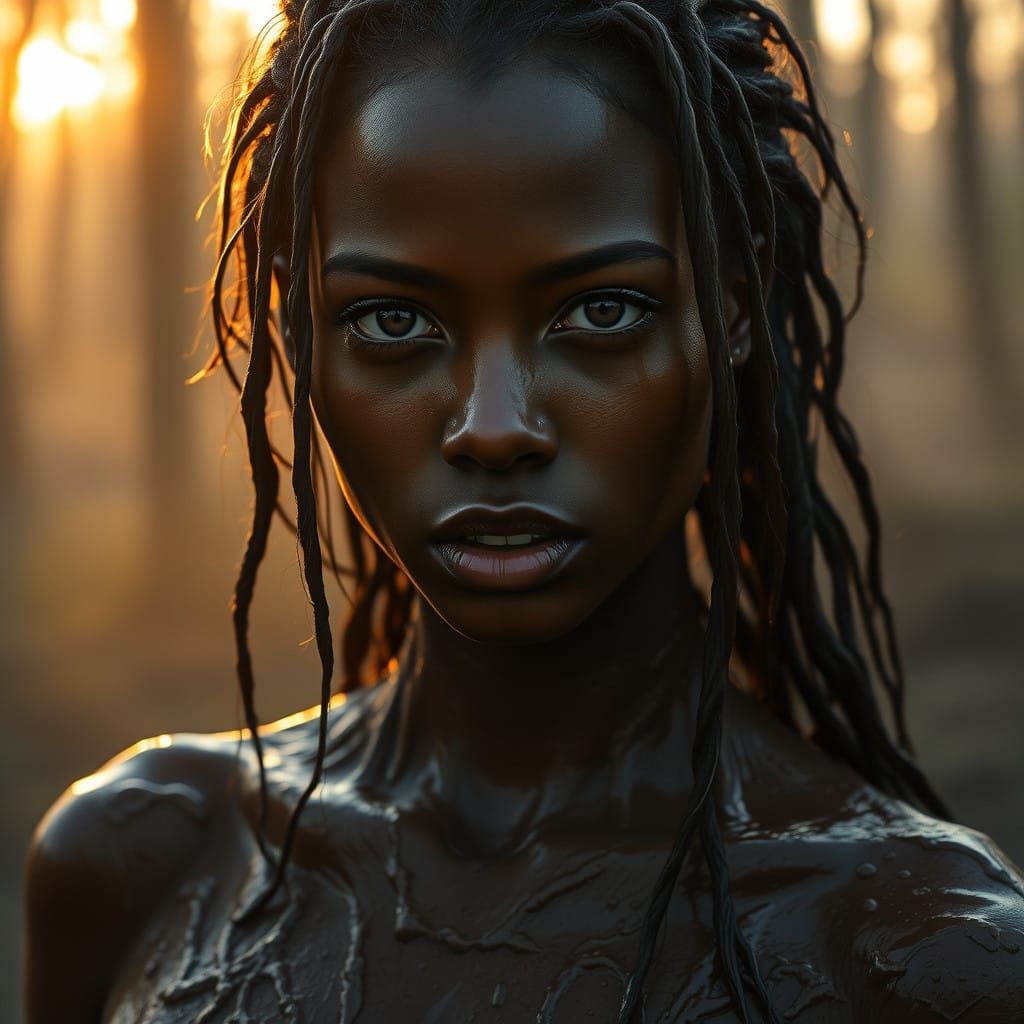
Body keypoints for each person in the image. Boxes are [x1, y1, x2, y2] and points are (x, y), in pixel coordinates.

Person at [24, 0, 1024, 1020]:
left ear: (729, 307)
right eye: (393, 319)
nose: (493, 426)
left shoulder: (916, 959)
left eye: (599, 310)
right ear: (296, 329)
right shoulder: (148, 858)